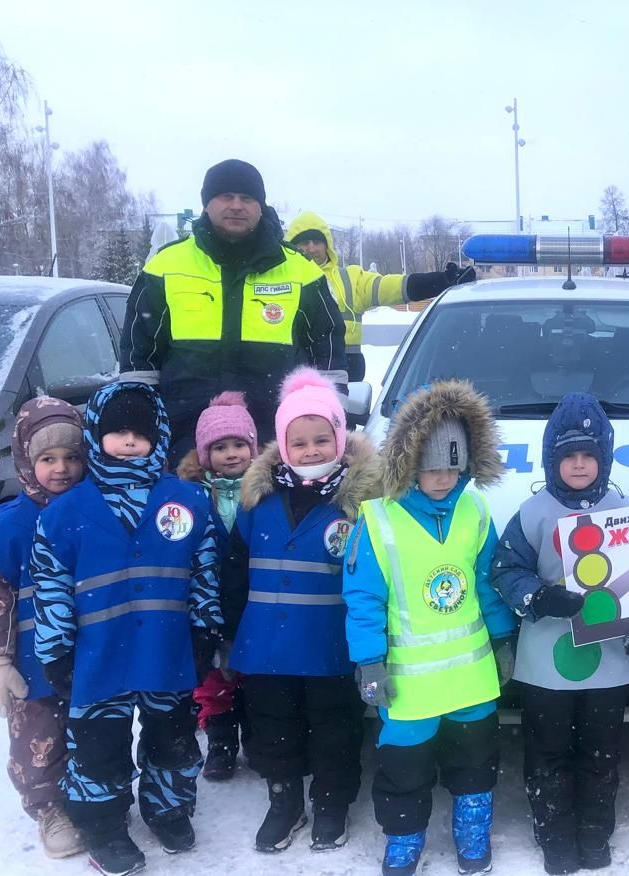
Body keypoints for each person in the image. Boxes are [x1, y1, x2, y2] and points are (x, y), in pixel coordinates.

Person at [30, 382, 222, 875]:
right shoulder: (65, 514)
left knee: (172, 738)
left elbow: (205, 571)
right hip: (98, 657)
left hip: (167, 651)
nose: (130, 441)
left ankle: (168, 807)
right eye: (118, 432)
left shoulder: (187, 502)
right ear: (95, 435)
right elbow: (49, 584)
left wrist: (205, 630)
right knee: (98, 746)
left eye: (141, 432)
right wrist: (56, 651)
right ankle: (104, 826)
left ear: (158, 435)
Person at [343, 380, 516, 876]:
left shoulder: (475, 511)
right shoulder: (377, 521)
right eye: (431, 467)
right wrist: (368, 661)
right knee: (404, 769)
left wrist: (503, 638)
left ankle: (471, 829)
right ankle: (403, 839)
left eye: (452, 467)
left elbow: (488, 585)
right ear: (408, 462)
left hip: (470, 679)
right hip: (407, 683)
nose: (443, 479)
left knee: (475, 762)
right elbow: (364, 600)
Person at [492, 392, 629, 875]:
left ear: (604, 457)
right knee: (548, 753)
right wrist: (537, 597)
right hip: (547, 665)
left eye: (589, 454)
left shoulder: (625, 510)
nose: (579, 465)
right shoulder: (532, 512)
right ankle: (555, 837)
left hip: (609, 662)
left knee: (601, 754)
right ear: (551, 459)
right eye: (568, 456)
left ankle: (595, 834)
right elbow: (505, 569)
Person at [222, 368, 377, 853]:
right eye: (300, 442)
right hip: (266, 648)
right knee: (273, 729)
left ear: (339, 439)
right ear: (283, 447)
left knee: (335, 730)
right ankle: (284, 801)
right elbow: (234, 570)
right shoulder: (258, 500)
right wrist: (227, 632)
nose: (311, 451)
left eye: (321, 439)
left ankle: (332, 803)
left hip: (331, 648)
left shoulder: (359, 504)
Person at [119, 159, 348, 464]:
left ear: (260, 206)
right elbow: (139, 355)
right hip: (183, 444)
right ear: (207, 204)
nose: (237, 206)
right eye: (226, 196)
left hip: (277, 446)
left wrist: (330, 414)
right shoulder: (165, 266)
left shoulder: (300, 272)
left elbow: (326, 347)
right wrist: (139, 420)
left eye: (247, 198)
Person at [0, 398, 86, 859]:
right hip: (32, 658)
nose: (62, 469)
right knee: (37, 737)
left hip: (88, 650)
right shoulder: (5, 527)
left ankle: (94, 796)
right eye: (48, 459)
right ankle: (48, 807)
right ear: (25, 459)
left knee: (90, 729)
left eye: (73, 457)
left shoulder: (95, 511)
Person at [285, 211, 475, 381]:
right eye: (303, 242)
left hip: (343, 379)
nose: (311, 248)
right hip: (290, 377)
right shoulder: (276, 282)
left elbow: (393, 286)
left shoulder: (350, 279)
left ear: (327, 246)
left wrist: (443, 280)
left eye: (317, 242)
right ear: (291, 246)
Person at [176, 391, 258, 782]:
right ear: (204, 454)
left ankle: (258, 737)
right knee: (214, 681)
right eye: (220, 446)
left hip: (252, 599)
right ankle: (221, 741)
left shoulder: (264, 492)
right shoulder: (193, 495)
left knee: (253, 673)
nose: (231, 454)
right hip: (208, 601)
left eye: (239, 444)